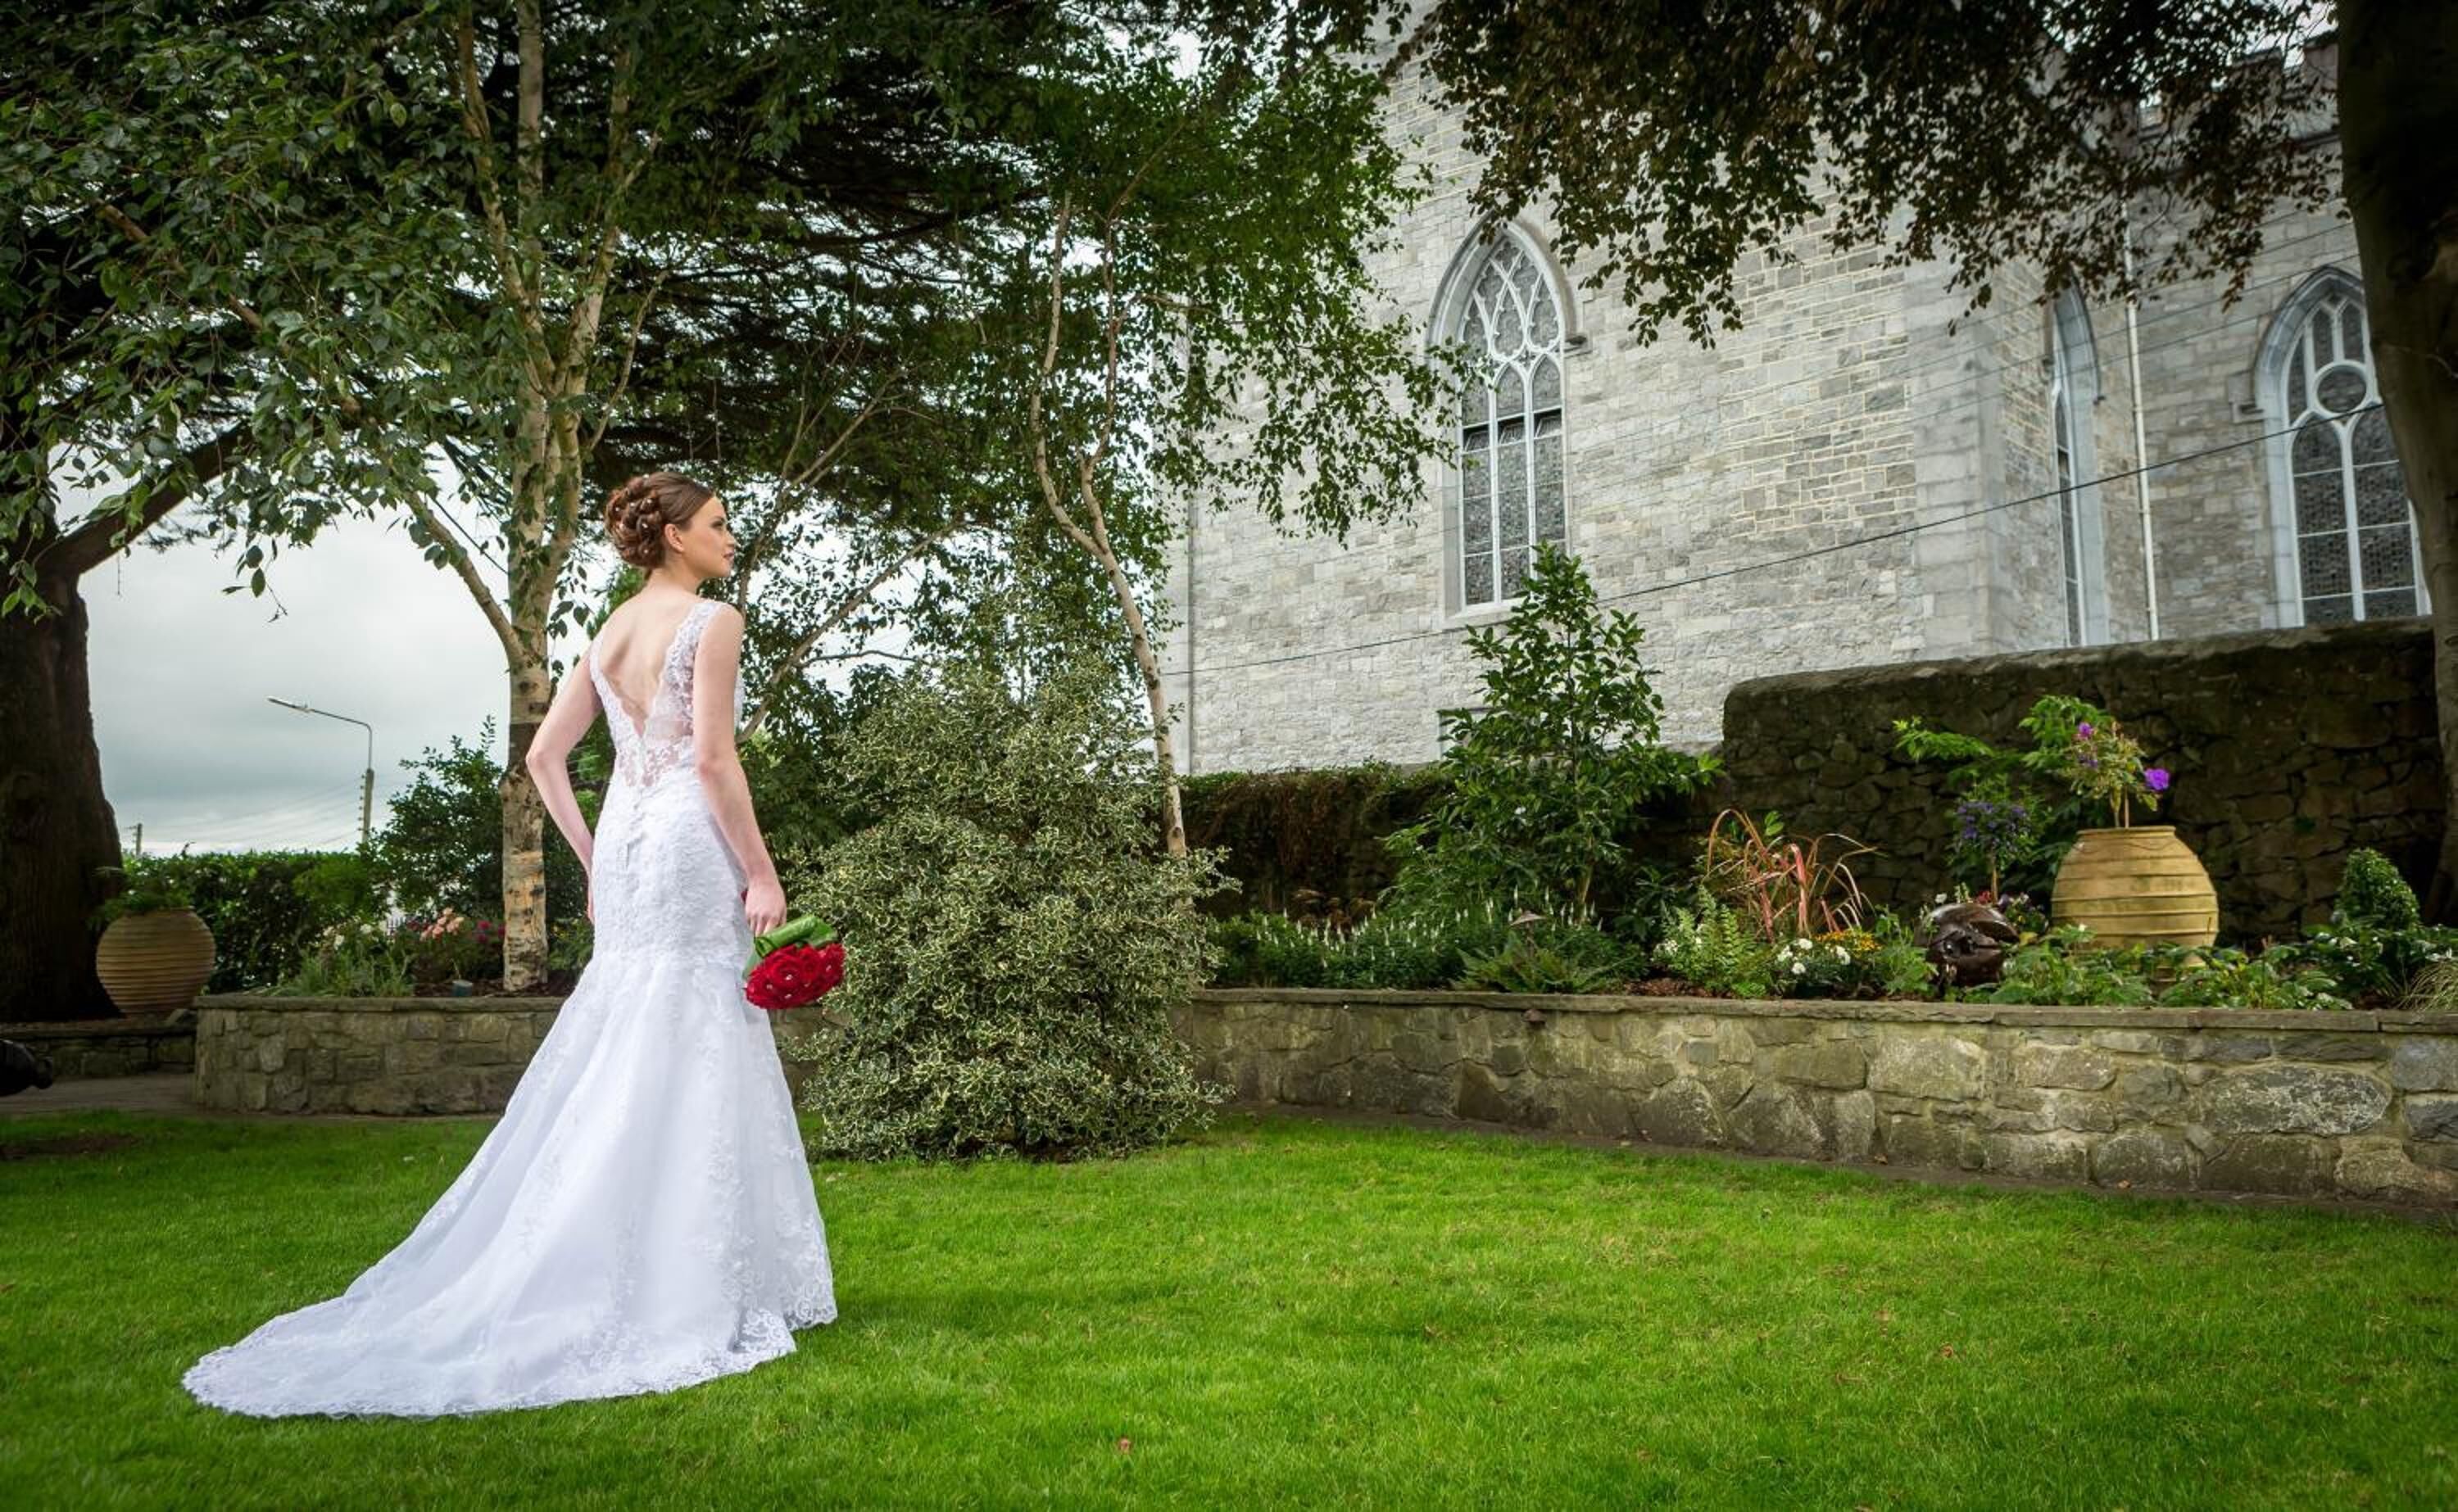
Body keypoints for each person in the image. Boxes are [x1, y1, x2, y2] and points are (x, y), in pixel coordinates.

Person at [183, 472, 836, 1417]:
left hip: (626, 845)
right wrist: (765, 873)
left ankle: (614, 1248)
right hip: (690, 839)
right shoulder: (714, 620)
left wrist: (591, 856)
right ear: (676, 538)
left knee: (630, 1029)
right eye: (719, 525)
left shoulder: (608, 634)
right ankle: (690, 1277)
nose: (732, 538)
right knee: (692, 1025)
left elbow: (541, 757)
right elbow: (712, 758)